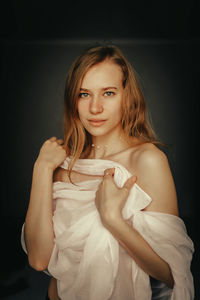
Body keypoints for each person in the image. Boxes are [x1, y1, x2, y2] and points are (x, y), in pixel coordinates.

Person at [21, 44, 194, 300]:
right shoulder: (59, 165)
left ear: (127, 95)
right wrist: (41, 168)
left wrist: (113, 219)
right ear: (73, 101)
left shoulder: (148, 160)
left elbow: (170, 275)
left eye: (109, 93)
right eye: (84, 94)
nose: (95, 108)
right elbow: (37, 259)